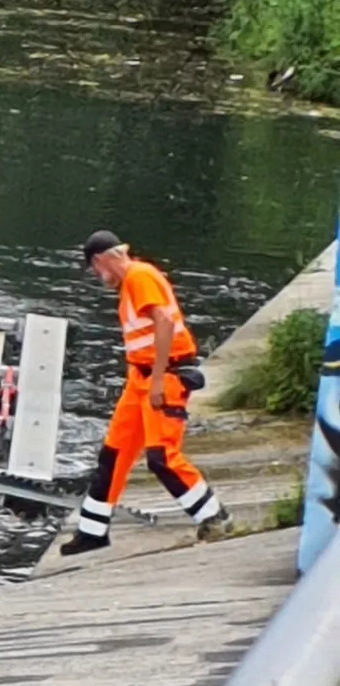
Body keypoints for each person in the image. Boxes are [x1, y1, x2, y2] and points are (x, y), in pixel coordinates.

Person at [62, 230, 232, 556]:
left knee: (161, 457)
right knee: (113, 455)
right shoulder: (131, 283)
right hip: (139, 379)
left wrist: (156, 381)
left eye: (95, 270)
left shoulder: (139, 277)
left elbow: (164, 322)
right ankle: (92, 531)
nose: (97, 277)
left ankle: (214, 517)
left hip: (163, 377)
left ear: (100, 260)